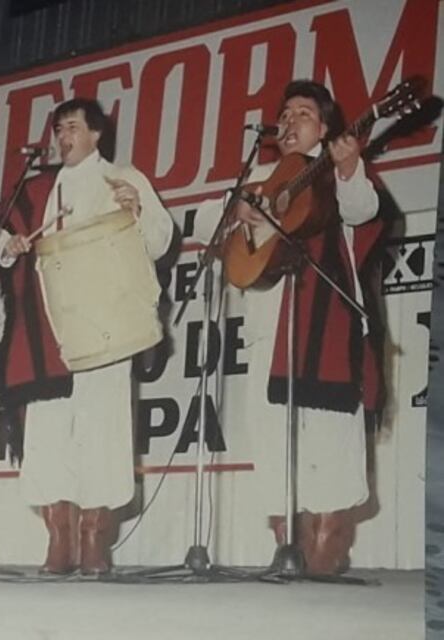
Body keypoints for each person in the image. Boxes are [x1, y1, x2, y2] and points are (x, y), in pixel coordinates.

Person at [193, 80, 384, 574]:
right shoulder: (261, 176)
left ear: (325, 128)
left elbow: (363, 210)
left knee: (330, 451)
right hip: (268, 328)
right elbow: (202, 223)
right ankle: (287, 560)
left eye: (304, 113)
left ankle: (322, 566)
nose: (290, 120)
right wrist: (239, 207)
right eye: (285, 113)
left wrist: (349, 166)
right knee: (274, 447)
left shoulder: (338, 169)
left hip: (328, 330)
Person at [0, 98, 174, 575]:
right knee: (47, 435)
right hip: (47, 328)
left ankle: (93, 540)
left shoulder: (123, 177)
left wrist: (137, 210)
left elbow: (160, 240)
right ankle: (58, 541)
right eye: (58, 130)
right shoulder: (37, 186)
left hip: (105, 325)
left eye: (72, 127)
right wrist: (8, 244)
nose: (63, 138)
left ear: (96, 134)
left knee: (102, 431)